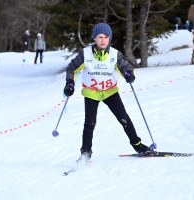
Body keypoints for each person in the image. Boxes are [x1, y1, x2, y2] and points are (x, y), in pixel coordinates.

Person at [63, 23, 154, 163]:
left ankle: (137, 145)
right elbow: (71, 68)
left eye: (106, 37)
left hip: (110, 92)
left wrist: (128, 73)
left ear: (109, 38)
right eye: (100, 37)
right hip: (91, 93)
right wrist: (69, 83)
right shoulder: (85, 54)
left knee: (124, 118)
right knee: (90, 123)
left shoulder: (114, 54)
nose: (103, 40)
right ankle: (85, 153)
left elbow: (124, 66)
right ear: (95, 38)